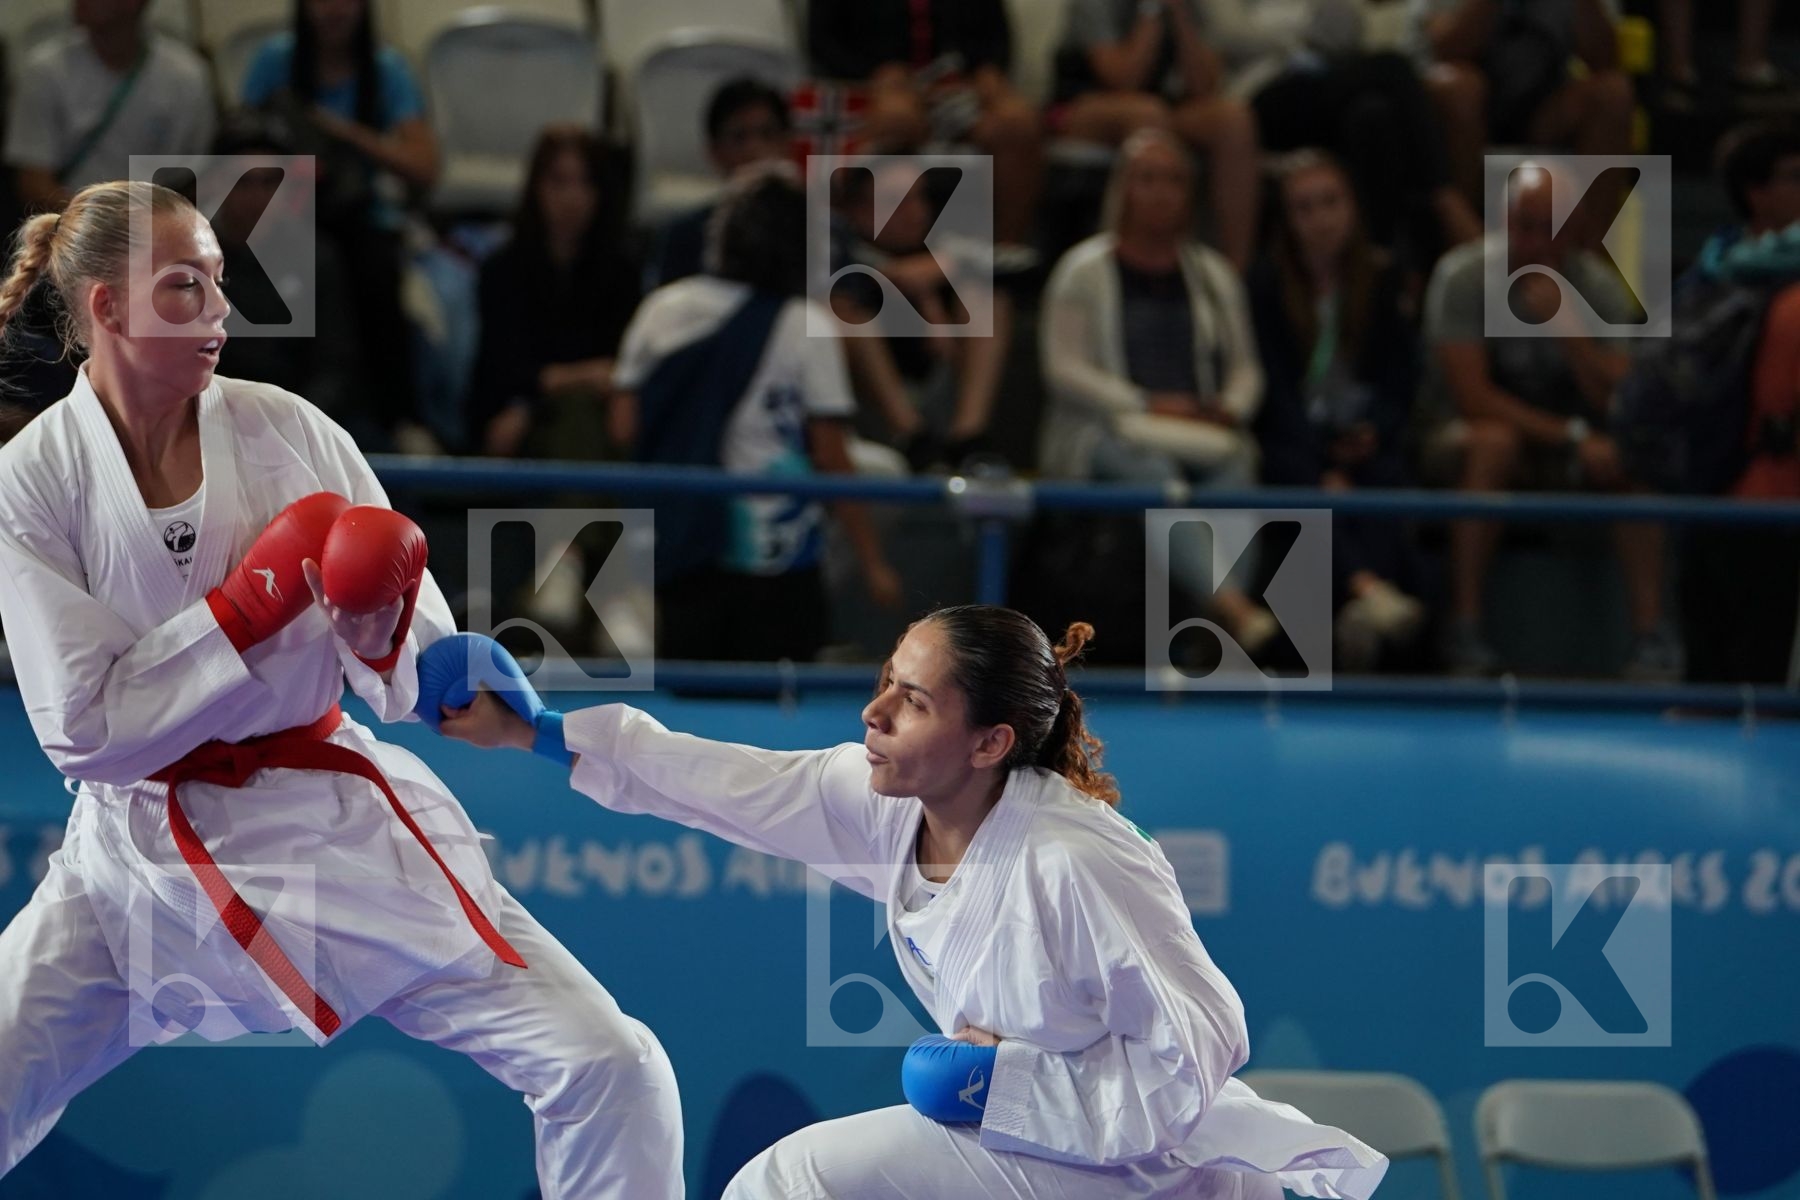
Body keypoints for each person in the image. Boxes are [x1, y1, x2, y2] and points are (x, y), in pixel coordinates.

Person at [0, 181, 683, 1197]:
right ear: (105, 308)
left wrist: (389, 635)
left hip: (331, 827)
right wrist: (246, 609)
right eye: (185, 287)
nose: (222, 313)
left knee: (611, 1062)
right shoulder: (32, 480)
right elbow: (86, 731)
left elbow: (413, 673)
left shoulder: (292, 433)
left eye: (221, 283)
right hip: (131, 861)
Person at [416, 609, 1391, 1199]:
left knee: (789, 1184)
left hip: (1140, 1165)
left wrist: (996, 1087)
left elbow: (1203, 1046)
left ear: (990, 744)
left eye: (913, 701)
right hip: (1040, 1150)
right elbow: (729, 784)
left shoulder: (1073, 861)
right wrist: (538, 733)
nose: (875, 713)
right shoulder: (897, 804)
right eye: (886, 682)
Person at [614, 162, 903, 661]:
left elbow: (624, 428)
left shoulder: (661, 309)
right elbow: (832, 457)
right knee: (776, 723)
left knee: (690, 718)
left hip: (681, 546)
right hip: (777, 563)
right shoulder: (807, 324)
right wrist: (873, 560)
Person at [1419, 161, 1678, 679]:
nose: (1538, 243)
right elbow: (1475, 399)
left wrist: (1572, 335)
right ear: (1504, 221)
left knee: (1633, 461)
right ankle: (1464, 632)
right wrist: (1574, 436)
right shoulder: (1464, 277)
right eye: (1527, 225)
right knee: (1495, 442)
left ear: (1576, 230)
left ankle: (1651, 640)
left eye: (1553, 228)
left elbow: (1623, 401)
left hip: (1562, 449)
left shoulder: (1598, 286)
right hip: (1461, 439)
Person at [1040, 129, 1277, 657]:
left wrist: (1229, 410)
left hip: (1197, 427)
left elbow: (1246, 369)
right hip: (1105, 428)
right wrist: (1144, 401)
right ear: (1124, 188)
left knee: (1239, 465)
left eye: (1173, 180)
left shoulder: (1214, 274)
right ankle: (1235, 612)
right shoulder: (1082, 270)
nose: (1160, 192)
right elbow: (1064, 369)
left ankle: (1213, 623)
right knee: (1154, 475)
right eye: (1147, 179)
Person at [1250, 151, 1427, 670]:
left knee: (1384, 472)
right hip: (1295, 442)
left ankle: (1361, 612)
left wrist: (1373, 430)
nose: (1321, 219)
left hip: (1362, 436)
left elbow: (1401, 377)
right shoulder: (1265, 286)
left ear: (1352, 208)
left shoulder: (1383, 278)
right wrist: (1323, 461)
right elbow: (1273, 390)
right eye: (1305, 208)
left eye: (1330, 203)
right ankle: (1367, 591)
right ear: (1287, 221)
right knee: (1297, 477)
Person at [240, 0, 439, 448]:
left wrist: (338, 132)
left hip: (356, 218)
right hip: (279, 211)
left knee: (372, 266)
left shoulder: (386, 69)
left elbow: (424, 166)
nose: (333, 9)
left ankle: (396, 419)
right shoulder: (275, 60)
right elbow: (240, 141)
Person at [807, 0, 1044, 253]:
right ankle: (876, 254)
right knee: (897, 117)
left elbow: (995, 38)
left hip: (958, 87)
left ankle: (1004, 251)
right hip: (872, 90)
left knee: (1016, 124)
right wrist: (873, 73)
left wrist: (987, 70)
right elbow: (822, 42)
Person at [469, 125, 639, 460]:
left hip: (597, 415)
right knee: (577, 419)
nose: (571, 198)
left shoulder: (622, 271)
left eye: (586, 183)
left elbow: (625, 365)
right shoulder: (502, 269)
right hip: (518, 415)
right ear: (536, 187)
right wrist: (585, 376)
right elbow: (502, 369)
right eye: (559, 181)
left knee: (590, 420)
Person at [1052, 0, 1261, 270]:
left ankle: (1231, 278)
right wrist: (1149, 9)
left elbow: (1204, 86)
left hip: (1161, 104)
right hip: (1085, 104)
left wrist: (1180, 14)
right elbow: (1124, 79)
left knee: (1233, 121)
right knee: (1149, 116)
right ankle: (1157, 265)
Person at [1413, 0, 1632, 215]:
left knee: (1612, 94)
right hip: (1467, 108)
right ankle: (1465, 238)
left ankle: (1590, 246)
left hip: (1543, 108)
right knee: (1459, 88)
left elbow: (1606, 60)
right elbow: (1445, 49)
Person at [3, 0, 216, 215]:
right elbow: (33, 180)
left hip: (156, 221)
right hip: (71, 225)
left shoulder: (187, 76)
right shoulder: (45, 72)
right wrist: (98, 226)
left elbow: (196, 174)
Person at [646, 78, 794, 292]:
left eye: (767, 134)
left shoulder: (823, 232)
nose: (754, 150)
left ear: (786, 144)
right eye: (739, 137)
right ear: (714, 151)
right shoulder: (682, 236)